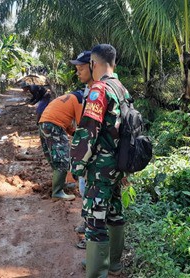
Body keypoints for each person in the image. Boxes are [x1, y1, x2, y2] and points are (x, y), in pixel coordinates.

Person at [71, 44, 127, 277]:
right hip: (118, 165)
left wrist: (77, 164)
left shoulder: (99, 90)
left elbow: (88, 131)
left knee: (95, 219)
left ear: (94, 64)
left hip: (101, 167)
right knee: (115, 212)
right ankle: (113, 264)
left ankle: (97, 272)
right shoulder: (121, 88)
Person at [38, 90, 85, 200]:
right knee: (62, 159)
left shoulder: (67, 98)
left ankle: (61, 184)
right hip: (54, 126)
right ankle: (57, 192)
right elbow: (81, 123)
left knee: (56, 159)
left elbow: (67, 123)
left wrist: (74, 133)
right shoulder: (79, 100)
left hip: (44, 124)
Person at [70, 50, 94, 249]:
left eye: (81, 68)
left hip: (97, 158)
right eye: (76, 69)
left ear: (93, 66)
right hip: (88, 155)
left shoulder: (99, 92)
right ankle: (86, 224)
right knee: (84, 191)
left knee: (94, 198)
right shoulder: (87, 90)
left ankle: (92, 237)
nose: (78, 72)